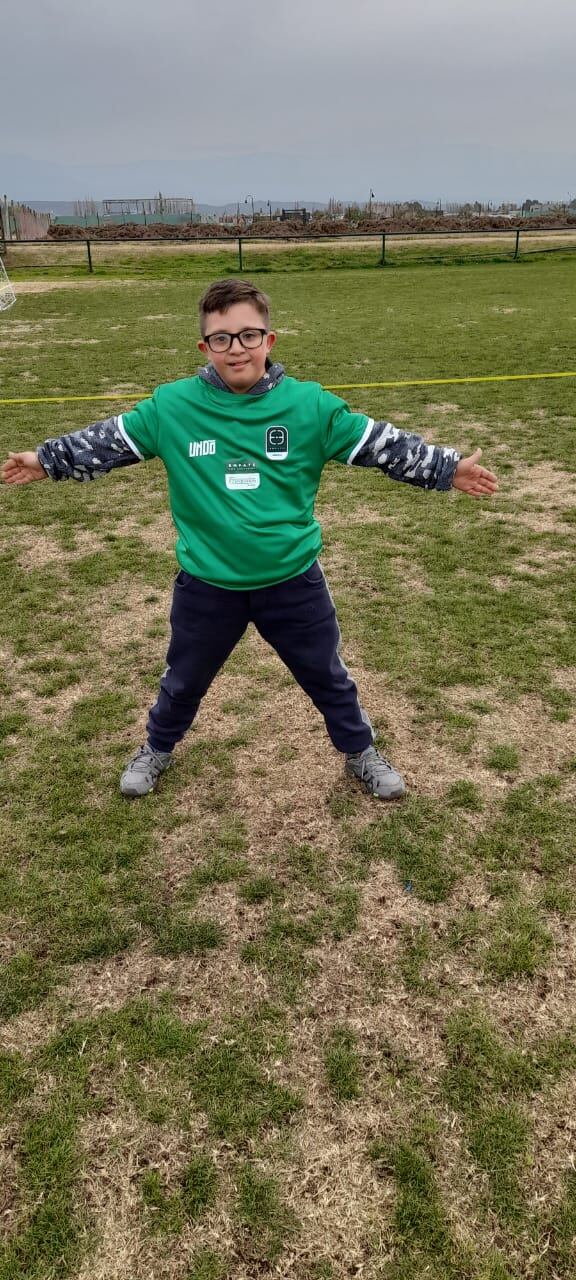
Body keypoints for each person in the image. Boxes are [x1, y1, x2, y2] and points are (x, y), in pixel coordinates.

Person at [1, 278, 497, 801]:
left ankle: (360, 752)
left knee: (327, 677)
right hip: (207, 584)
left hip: (293, 581)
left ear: (270, 340)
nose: (236, 348)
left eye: (248, 335)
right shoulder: (172, 406)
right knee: (184, 679)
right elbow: (107, 440)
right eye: (221, 338)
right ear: (204, 347)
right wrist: (46, 460)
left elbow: (380, 443)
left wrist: (445, 469)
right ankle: (156, 748)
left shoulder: (310, 405)